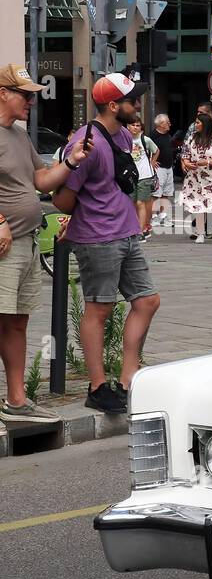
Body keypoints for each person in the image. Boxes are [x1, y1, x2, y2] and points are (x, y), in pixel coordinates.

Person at [50, 72, 161, 414]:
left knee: (147, 301)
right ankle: (98, 386)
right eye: (132, 100)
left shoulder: (125, 136)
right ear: (113, 105)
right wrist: (79, 215)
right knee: (100, 309)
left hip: (125, 232)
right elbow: (61, 199)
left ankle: (128, 379)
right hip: (98, 237)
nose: (138, 104)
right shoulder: (86, 144)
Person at [0, 64, 90, 422]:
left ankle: (17, 400)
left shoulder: (19, 135)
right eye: (26, 94)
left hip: (26, 242)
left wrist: (70, 161)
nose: (32, 102)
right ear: (3, 93)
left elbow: (40, 179)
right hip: (5, 243)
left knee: (17, 322)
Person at [180, 110, 212, 242]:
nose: (195, 125)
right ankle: (200, 233)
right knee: (198, 205)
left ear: (205, 124)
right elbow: (185, 155)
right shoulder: (192, 138)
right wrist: (187, 163)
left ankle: (210, 229)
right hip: (194, 178)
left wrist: (208, 162)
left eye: (198, 122)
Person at [125, 118, 158, 236]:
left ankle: (140, 231)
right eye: (132, 125)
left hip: (145, 175)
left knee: (140, 203)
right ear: (127, 126)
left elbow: (156, 150)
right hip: (131, 176)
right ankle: (138, 226)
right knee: (133, 203)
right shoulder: (124, 139)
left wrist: (153, 162)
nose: (135, 127)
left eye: (137, 125)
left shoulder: (145, 139)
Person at [149, 113, 176, 229]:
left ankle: (163, 216)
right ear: (160, 124)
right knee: (156, 194)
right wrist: (151, 161)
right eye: (167, 122)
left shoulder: (168, 135)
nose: (169, 124)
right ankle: (154, 217)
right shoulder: (153, 135)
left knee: (166, 193)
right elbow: (147, 149)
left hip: (169, 168)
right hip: (158, 168)